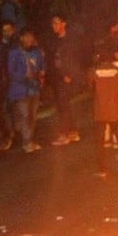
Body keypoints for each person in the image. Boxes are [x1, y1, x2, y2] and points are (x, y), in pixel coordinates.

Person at [91, 59, 118, 177]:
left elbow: (90, 88)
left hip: (100, 112)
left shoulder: (94, 71)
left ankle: (102, 170)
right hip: (115, 111)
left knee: (99, 142)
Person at [47, 15, 85, 146]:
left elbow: (76, 58)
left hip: (67, 77)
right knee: (63, 105)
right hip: (57, 77)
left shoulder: (71, 40)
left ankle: (65, 133)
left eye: (57, 23)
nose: (54, 26)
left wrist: (70, 74)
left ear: (64, 23)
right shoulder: (54, 41)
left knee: (64, 105)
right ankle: (72, 131)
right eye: (53, 23)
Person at [6, 28, 46, 153]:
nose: (29, 39)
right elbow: (11, 72)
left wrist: (42, 72)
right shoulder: (14, 53)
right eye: (27, 36)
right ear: (21, 38)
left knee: (32, 116)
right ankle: (26, 142)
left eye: (31, 36)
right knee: (25, 115)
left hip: (34, 88)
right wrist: (24, 76)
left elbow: (42, 64)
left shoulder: (37, 52)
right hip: (21, 89)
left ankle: (29, 140)